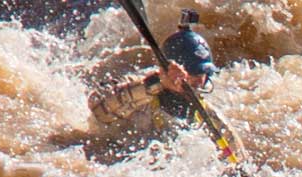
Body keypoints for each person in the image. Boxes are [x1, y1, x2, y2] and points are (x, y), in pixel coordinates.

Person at [88, 10, 218, 134]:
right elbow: (97, 109)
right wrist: (157, 83)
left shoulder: (205, 112)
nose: (198, 81)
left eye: (202, 74)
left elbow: (236, 150)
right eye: (192, 73)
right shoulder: (140, 86)